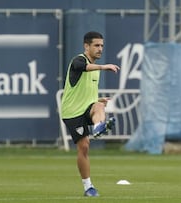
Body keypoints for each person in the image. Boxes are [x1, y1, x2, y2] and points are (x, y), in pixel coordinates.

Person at [60, 31, 120, 197]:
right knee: (84, 146)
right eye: (96, 45)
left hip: (86, 107)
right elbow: (81, 68)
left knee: (99, 106)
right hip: (72, 112)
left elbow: (86, 91)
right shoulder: (78, 60)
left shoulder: (95, 69)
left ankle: (99, 126)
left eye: (102, 46)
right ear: (86, 46)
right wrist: (104, 66)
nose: (100, 49)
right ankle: (88, 187)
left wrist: (98, 99)